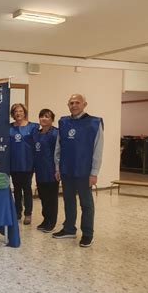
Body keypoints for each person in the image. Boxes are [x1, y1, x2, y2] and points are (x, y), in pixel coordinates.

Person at [53, 94, 104, 247]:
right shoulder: (63, 122)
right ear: (68, 105)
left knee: (86, 204)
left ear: (84, 104)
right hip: (66, 170)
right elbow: (58, 146)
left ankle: (88, 234)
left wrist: (94, 172)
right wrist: (57, 167)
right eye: (71, 103)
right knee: (68, 201)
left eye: (77, 102)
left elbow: (98, 149)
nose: (74, 105)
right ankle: (69, 229)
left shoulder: (94, 123)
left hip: (84, 171)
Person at [9, 103, 38, 224]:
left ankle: (28, 214)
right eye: (15, 111)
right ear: (13, 114)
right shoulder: (8, 127)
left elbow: (37, 145)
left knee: (26, 189)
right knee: (16, 189)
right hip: (13, 163)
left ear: (24, 112)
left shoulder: (33, 127)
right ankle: (17, 212)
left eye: (20, 111)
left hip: (27, 163)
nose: (18, 113)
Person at [33, 109, 59, 233]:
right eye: (42, 116)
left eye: (47, 117)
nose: (44, 119)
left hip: (52, 172)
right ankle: (45, 219)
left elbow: (59, 153)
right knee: (43, 197)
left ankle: (51, 222)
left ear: (52, 119)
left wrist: (58, 170)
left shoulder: (55, 134)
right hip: (40, 171)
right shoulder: (37, 133)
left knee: (51, 198)